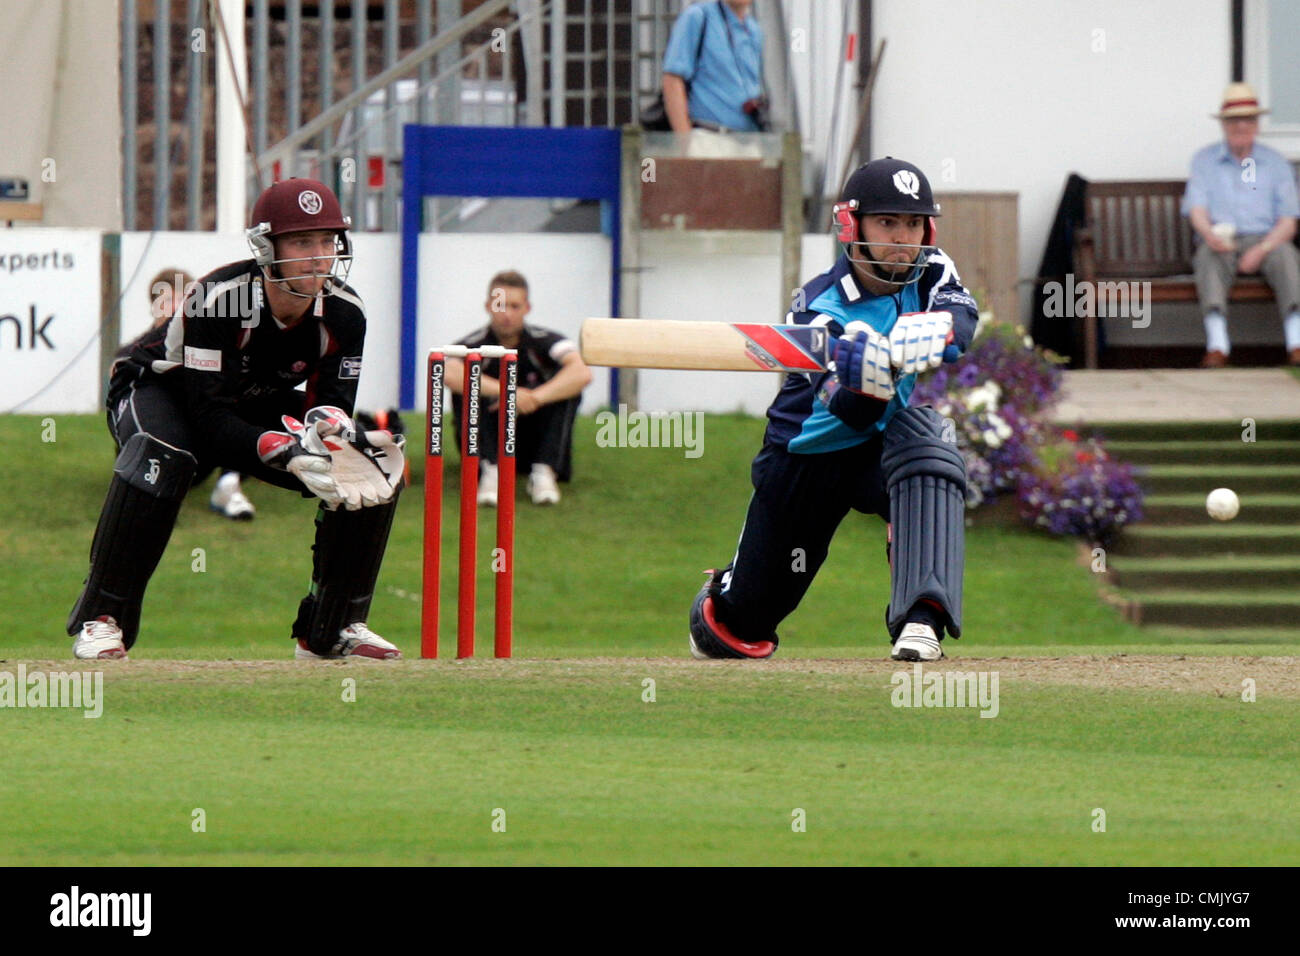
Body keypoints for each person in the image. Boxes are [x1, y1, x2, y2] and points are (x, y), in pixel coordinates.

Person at [69, 178, 405, 661]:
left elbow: (330, 403)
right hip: (158, 388)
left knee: (368, 464)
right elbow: (208, 421)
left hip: (243, 398)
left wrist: (331, 435)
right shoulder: (219, 300)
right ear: (266, 248)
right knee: (166, 457)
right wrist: (282, 450)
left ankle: (331, 630)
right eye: (302, 241)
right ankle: (102, 618)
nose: (318, 256)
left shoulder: (346, 313)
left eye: (328, 241)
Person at [688, 157, 978, 662]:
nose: (902, 237)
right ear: (852, 225)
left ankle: (921, 620)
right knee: (740, 627)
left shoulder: (932, 271)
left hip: (878, 450)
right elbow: (849, 409)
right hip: (804, 459)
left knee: (930, 448)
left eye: (912, 223)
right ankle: (726, 596)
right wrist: (872, 375)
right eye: (887, 222)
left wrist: (939, 331)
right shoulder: (817, 307)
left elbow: (963, 318)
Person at [445, 270, 591, 506]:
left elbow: (581, 372)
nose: (507, 314)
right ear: (488, 306)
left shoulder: (545, 341)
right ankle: (490, 473)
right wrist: (509, 393)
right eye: (501, 305)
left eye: (514, 306)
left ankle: (544, 473)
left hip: (535, 437)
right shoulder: (472, 343)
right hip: (488, 439)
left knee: (566, 386)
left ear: (527, 308)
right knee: (469, 384)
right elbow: (449, 373)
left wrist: (535, 398)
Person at [1182, 82, 1300, 368]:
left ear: (1257, 124)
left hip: (1266, 240)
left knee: (1286, 255)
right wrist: (1209, 234)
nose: (1241, 126)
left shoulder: (1275, 164)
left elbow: (1288, 220)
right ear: (1224, 125)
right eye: (1234, 120)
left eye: (1248, 119)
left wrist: (1262, 249)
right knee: (1209, 258)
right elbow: (1196, 208)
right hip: (1222, 239)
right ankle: (1218, 346)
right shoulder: (1204, 160)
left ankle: (1296, 343)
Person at [131, 268, 257, 521]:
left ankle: (229, 485)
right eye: (167, 301)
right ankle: (153, 495)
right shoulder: (136, 352)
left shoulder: (211, 345)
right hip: (164, 449)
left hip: (206, 446)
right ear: (154, 306)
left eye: (182, 300)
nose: (176, 308)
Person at [662, 0, 768, 136]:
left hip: (749, 139)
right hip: (709, 136)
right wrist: (685, 141)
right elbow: (672, 79)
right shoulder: (698, 16)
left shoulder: (754, 30)